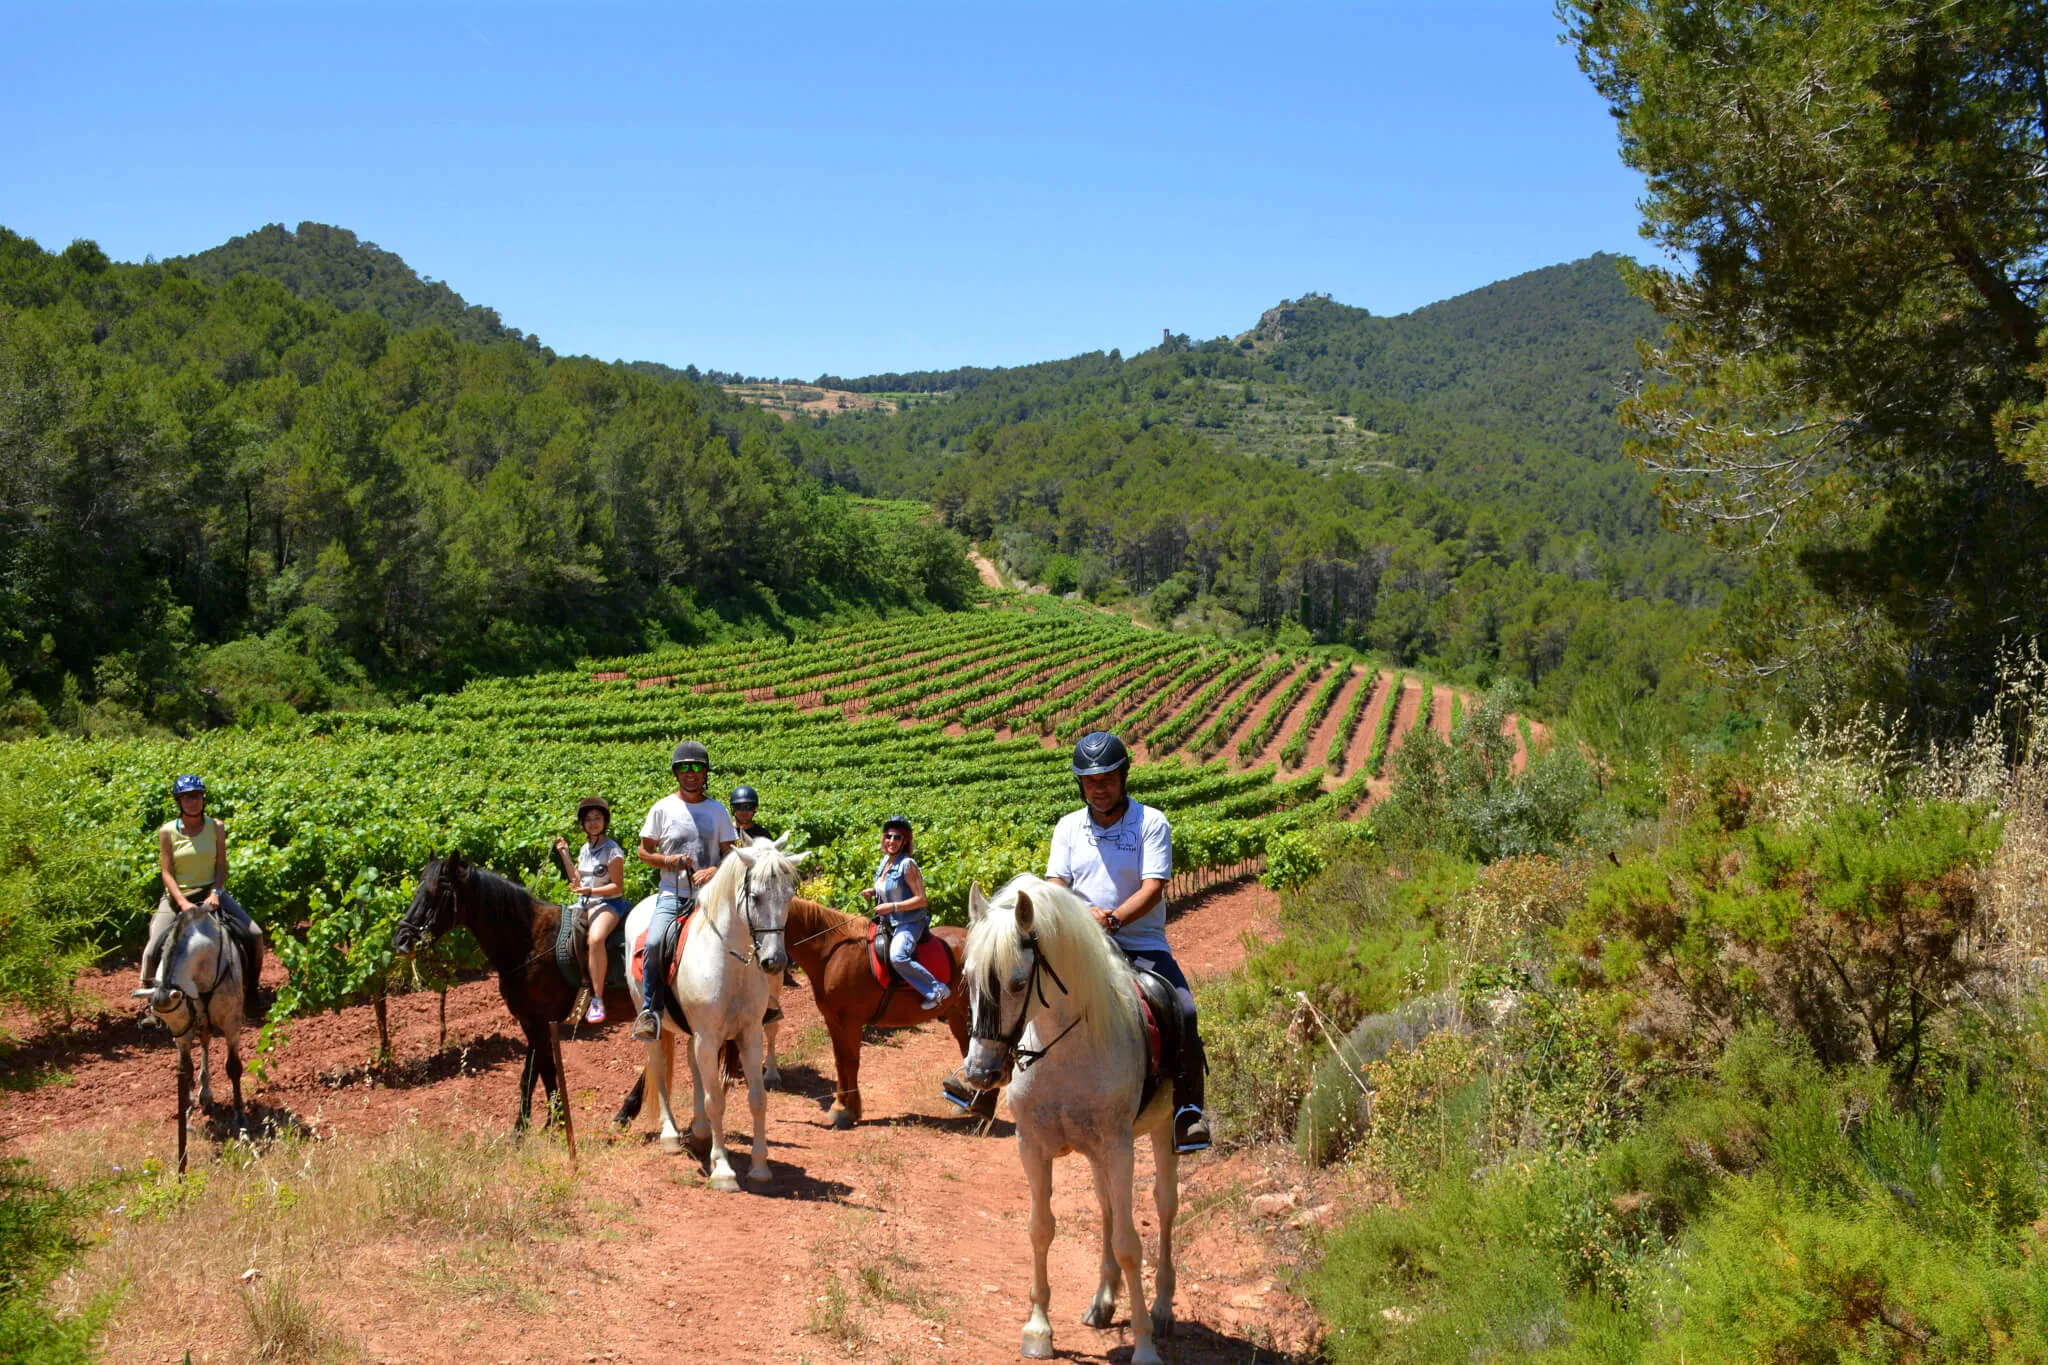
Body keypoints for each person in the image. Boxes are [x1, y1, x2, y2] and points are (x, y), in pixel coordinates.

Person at [1046, 731, 1210, 1152]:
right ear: (1079, 784)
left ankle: (1187, 1111)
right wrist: (1086, 919)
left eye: (1106, 779)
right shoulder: (1067, 828)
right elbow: (1055, 887)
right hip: (1082, 945)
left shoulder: (1151, 822)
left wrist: (1113, 919)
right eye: (1090, 782)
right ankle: (990, 1077)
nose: (1098, 789)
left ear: (1123, 778)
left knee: (1184, 1010)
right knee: (1027, 990)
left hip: (1142, 943)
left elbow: (1154, 887)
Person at [634, 741, 737, 1041]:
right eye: (684, 768)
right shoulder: (662, 808)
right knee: (654, 943)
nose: (690, 773)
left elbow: (731, 854)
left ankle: (759, 1002)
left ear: (705, 773)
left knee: (748, 935)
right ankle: (650, 1010)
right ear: (676, 773)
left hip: (712, 897)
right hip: (672, 894)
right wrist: (668, 860)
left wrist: (715, 870)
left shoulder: (717, 810)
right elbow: (643, 852)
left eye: (696, 767)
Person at [142, 775, 263, 1020]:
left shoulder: (216, 827)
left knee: (255, 934)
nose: (193, 801)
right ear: (179, 801)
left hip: (211, 892)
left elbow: (221, 865)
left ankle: (251, 992)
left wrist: (216, 892)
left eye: (197, 796)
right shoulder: (167, 832)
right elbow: (167, 873)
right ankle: (151, 1004)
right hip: (178, 896)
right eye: (188, 797)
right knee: (152, 948)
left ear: (203, 798)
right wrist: (183, 903)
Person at [555, 795, 628, 1025]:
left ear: (605, 821)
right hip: (586, 902)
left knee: (596, 939)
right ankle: (577, 985)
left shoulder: (612, 850)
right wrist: (564, 853)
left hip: (609, 903)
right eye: (588, 819)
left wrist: (590, 892)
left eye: (597, 818)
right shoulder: (586, 848)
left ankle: (597, 998)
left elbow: (617, 886)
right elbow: (577, 880)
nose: (593, 822)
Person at [863, 815, 947, 1010]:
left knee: (898, 956)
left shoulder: (907, 865)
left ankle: (936, 990)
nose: (892, 841)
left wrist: (891, 907)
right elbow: (890, 887)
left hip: (908, 922)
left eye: (897, 837)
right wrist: (873, 891)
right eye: (889, 836)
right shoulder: (885, 861)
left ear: (905, 841)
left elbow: (921, 899)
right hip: (887, 921)